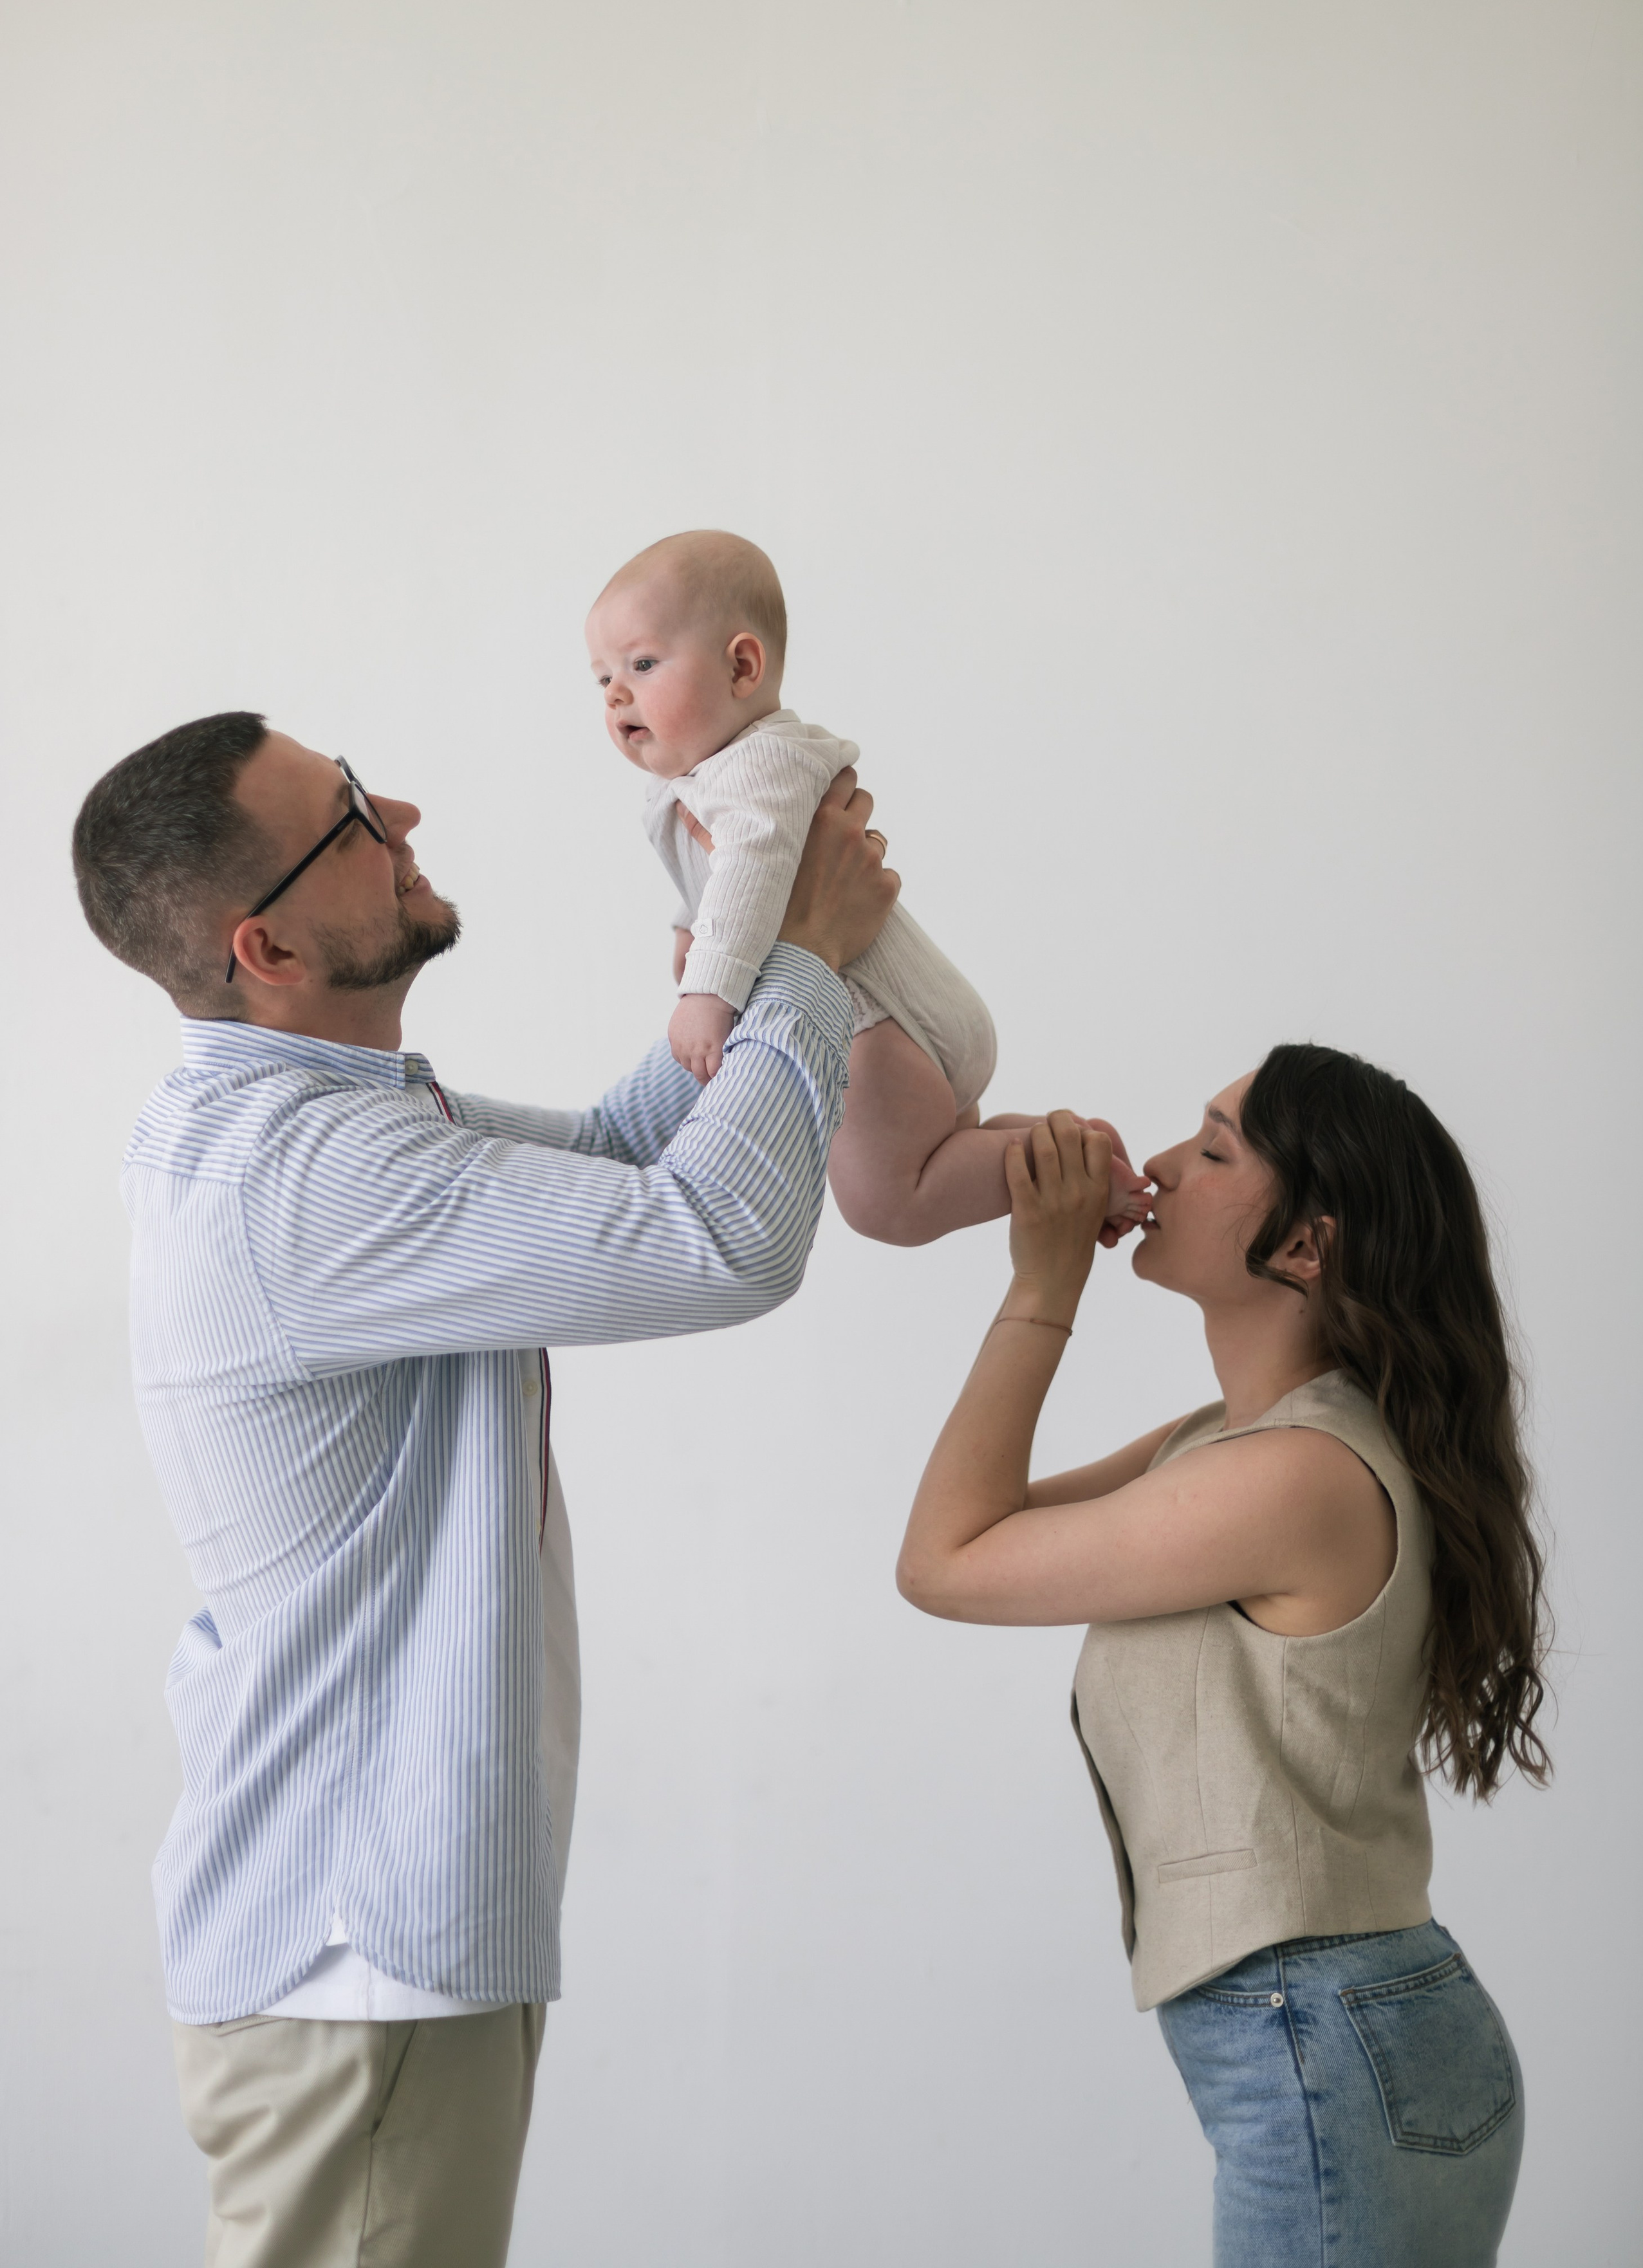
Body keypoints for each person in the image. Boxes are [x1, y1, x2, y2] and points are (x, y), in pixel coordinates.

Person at [70, 710, 897, 2268]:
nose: (400, 808)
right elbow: (713, 1240)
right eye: (346, 823)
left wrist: (733, 980)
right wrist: (806, 966)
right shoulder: (305, 1180)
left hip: (358, 1948)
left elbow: (611, 1162)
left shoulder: (309, 1133)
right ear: (270, 946)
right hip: (355, 1953)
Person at [895, 1049, 1549, 2267]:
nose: (1154, 1166)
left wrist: (1044, 1284)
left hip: (1329, 2036)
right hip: (1349, 2031)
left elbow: (946, 1558)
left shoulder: (1293, 1477)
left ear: (1303, 1244)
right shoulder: (1231, 1446)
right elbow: (975, 1526)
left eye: (1211, 1148)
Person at [585, 528, 1149, 1244]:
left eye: (641, 662)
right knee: (944, 1153)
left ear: (742, 667)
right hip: (905, 1021)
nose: (616, 695)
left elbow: (752, 862)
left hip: (876, 1025)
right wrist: (686, 922)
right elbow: (724, 870)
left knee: (888, 1202)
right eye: (602, 678)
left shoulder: (755, 766)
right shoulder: (720, 776)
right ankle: (1055, 1151)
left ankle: (1077, 1168)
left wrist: (708, 988)